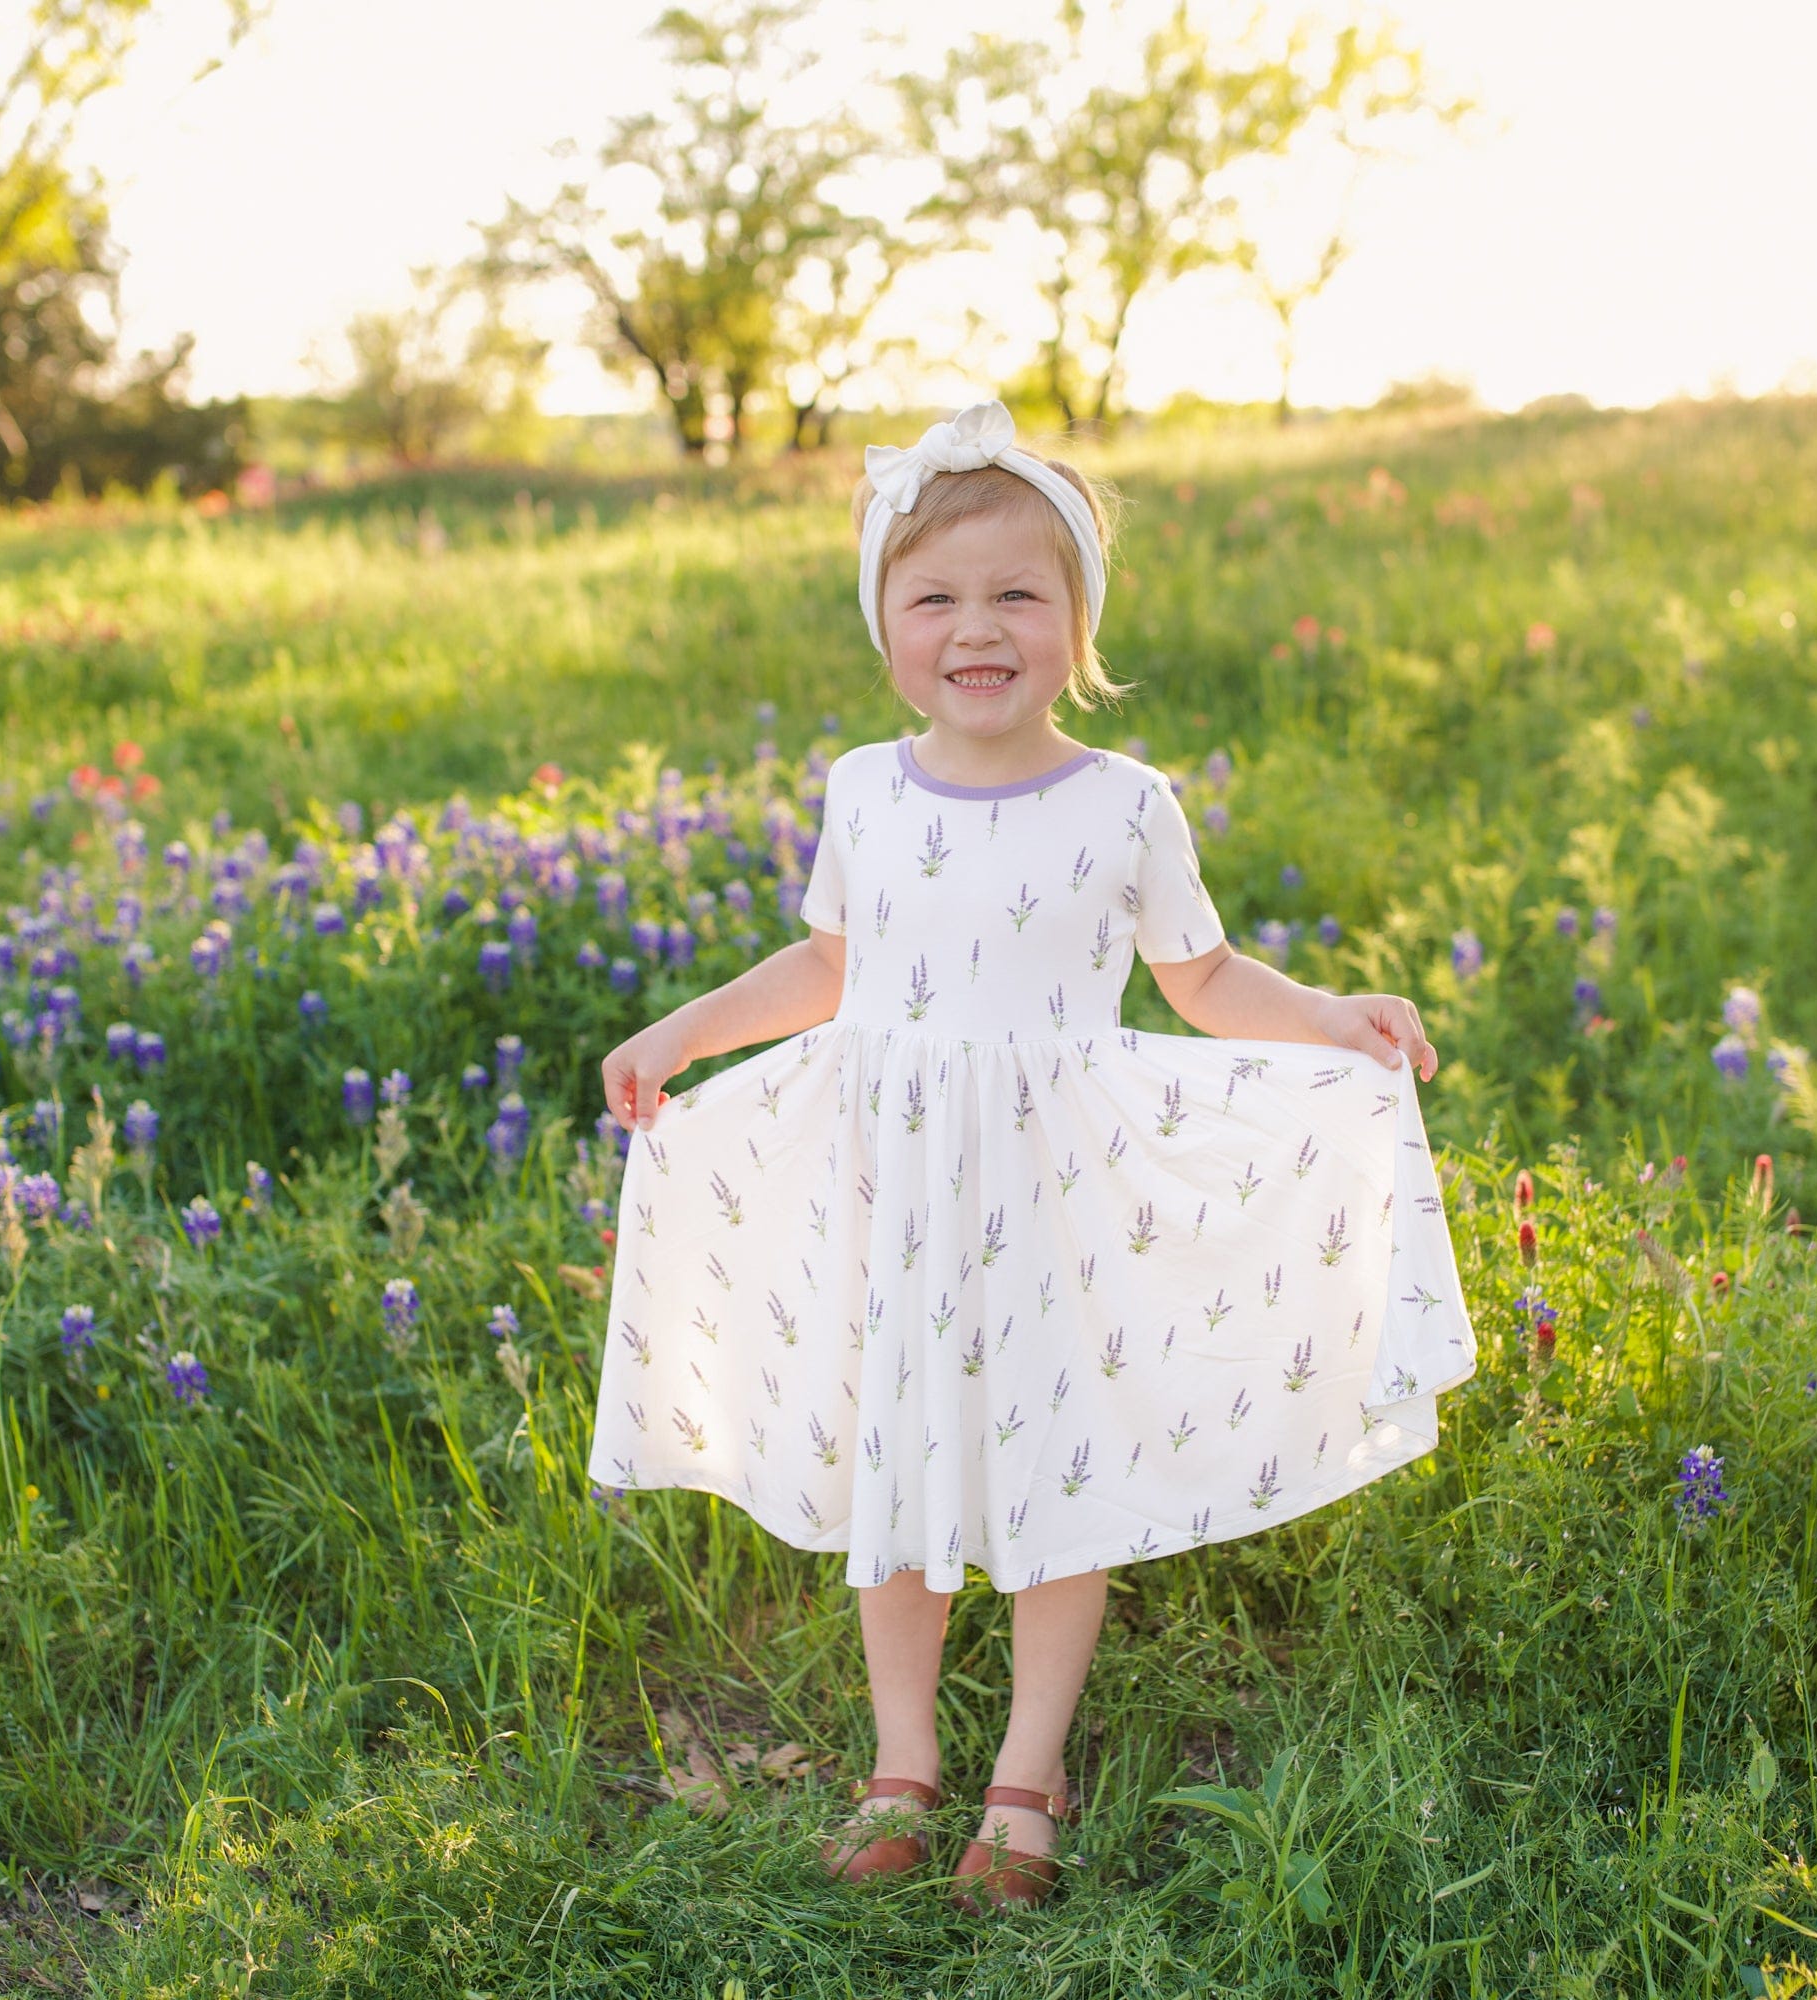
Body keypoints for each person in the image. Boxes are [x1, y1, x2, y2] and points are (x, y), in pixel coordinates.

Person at [591, 398, 1477, 1915]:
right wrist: (683, 1032)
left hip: (1061, 1200)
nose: (975, 628)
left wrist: (1335, 1017)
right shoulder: (865, 789)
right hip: (899, 1194)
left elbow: (1201, 980)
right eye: (933, 598)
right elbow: (830, 969)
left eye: (1018, 594)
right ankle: (900, 1760)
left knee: (1067, 1471)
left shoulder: (1126, 806)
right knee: (900, 1468)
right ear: (885, 624)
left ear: (1077, 623)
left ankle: (1027, 1771)